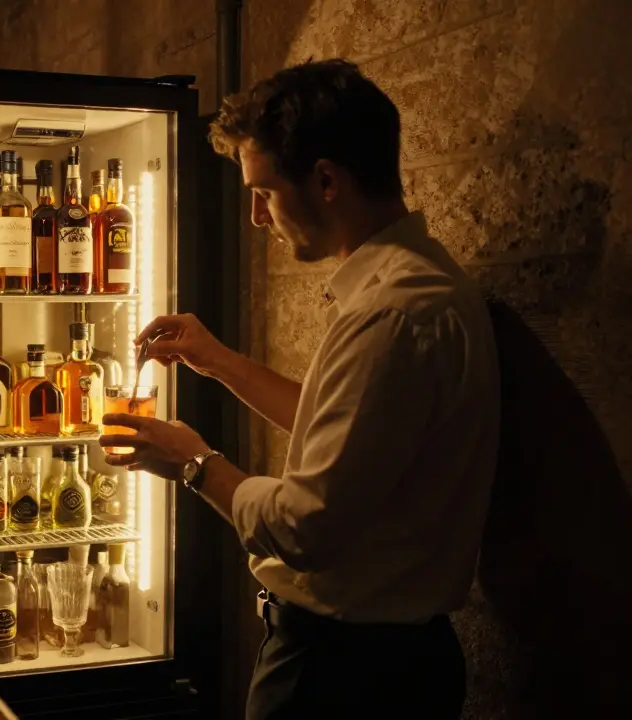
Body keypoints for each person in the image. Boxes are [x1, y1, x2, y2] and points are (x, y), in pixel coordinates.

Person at [100, 59, 498, 719]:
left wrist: (192, 462)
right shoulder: (419, 283)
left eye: (264, 192)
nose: (257, 217)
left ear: (326, 181)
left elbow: (304, 525)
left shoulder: (392, 312)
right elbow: (348, 438)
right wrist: (217, 361)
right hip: (389, 659)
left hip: (344, 672)